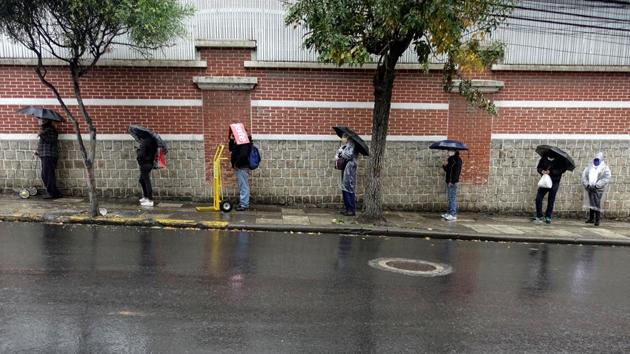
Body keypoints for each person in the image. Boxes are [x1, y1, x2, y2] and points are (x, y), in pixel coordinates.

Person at [534, 152, 568, 224]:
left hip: (555, 182)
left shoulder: (560, 159)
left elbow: (562, 170)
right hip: (545, 181)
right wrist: (542, 171)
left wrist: (551, 171)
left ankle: (548, 216)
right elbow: (539, 167)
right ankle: (539, 215)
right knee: (538, 198)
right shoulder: (544, 158)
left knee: (551, 200)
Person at [581, 152, 611, 226]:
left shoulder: (604, 168)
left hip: (598, 189)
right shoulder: (590, 167)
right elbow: (584, 176)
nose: (596, 161)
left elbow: (606, 178)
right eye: (595, 159)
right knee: (591, 203)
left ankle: (597, 220)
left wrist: (597, 185)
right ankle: (591, 218)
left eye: (598, 159)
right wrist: (587, 184)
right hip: (590, 187)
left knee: (597, 203)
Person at [34, 119, 62, 199]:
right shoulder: (45, 130)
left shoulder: (51, 130)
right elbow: (43, 143)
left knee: (48, 175)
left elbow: (51, 141)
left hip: (49, 155)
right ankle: (55, 193)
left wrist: (41, 135)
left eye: (40, 120)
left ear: (45, 121)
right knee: (45, 175)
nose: (39, 121)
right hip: (45, 155)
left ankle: (53, 193)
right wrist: (38, 151)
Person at [229, 130, 253, 211]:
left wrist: (236, 164)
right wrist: (232, 140)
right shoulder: (240, 142)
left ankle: (244, 205)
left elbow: (243, 155)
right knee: (242, 185)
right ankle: (243, 203)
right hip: (240, 167)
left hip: (242, 167)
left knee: (243, 186)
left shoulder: (245, 142)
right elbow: (231, 149)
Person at [335, 134, 358, 216]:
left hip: (350, 168)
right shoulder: (346, 145)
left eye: (343, 137)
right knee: (344, 187)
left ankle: (351, 209)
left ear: (347, 138)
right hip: (346, 167)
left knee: (349, 187)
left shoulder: (352, 144)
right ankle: (347, 208)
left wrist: (342, 152)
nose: (342, 139)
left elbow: (349, 155)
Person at [137, 135, 157, 207]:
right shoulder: (153, 142)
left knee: (146, 181)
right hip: (150, 163)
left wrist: (138, 151)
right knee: (141, 180)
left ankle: (150, 200)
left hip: (145, 163)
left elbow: (141, 154)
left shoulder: (145, 142)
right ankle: (146, 197)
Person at [441, 150, 462, 221]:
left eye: (450, 151)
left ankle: (453, 214)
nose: (448, 152)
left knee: (452, 198)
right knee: (450, 198)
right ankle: (449, 213)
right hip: (449, 181)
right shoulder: (451, 159)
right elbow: (448, 170)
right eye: (448, 151)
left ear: (454, 151)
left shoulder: (457, 160)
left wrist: (452, 181)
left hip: (453, 182)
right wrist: (444, 165)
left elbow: (457, 172)